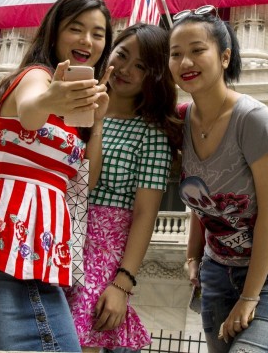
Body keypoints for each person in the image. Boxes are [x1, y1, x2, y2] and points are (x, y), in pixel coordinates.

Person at [0, 0, 114, 351]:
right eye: (76, 29)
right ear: (53, 33)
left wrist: (96, 124)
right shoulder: (36, 76)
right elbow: (31, 112)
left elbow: (84, 181)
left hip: (41, 257)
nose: (87, 40)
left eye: (98, 33)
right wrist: (51, 98)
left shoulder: (76, 106)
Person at [172, 5, 268, 353]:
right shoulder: (179, 121)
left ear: (224, 57)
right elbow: (201, 199)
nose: (185, 63)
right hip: (218, 269)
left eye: (197, 51)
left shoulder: (252, 117)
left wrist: (251, 296)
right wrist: (194, 256)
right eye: (176, 54)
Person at [67, 23, 182, 352]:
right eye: (122, 55)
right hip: (60, 238)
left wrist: (123, 282)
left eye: (142, 66)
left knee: (81, 338)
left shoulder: (152, 133)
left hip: (104, 251)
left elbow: (146, 213)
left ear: (155, 76)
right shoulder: (74, 111)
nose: (126, 70)